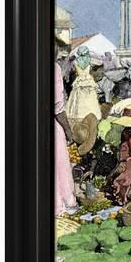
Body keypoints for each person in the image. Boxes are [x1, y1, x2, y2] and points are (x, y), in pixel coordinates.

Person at [54, 45, 77, 216]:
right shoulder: (54, 69)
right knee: (58, 163)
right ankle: (60, 203)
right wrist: (69, 131)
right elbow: (58, 107)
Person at [66, 45, 102, 125]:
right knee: (90, 99)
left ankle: (79, 115)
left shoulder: (75, 61)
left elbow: (70, 68)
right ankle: (92, 114)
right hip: (88, 80)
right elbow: (100, 61)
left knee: (78, 99)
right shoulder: (90, 60)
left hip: (80, 80)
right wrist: (93, 53)